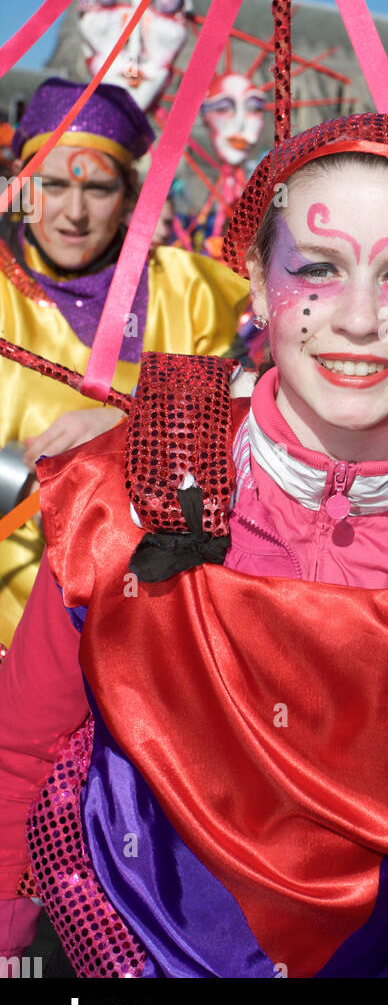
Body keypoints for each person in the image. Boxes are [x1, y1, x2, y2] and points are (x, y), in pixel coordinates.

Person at [0, 112, 388, 979]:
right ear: (256, 281)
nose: (357, 319)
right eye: (317, 268)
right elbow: (22, 755)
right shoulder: (122, 495)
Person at [0, 78, 250, 645]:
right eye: (52, 185)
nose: (74, 213)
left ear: (130, 193)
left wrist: (139, 419)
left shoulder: (187, 290)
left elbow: (256, 434)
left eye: (99, 188)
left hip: (150, 632)